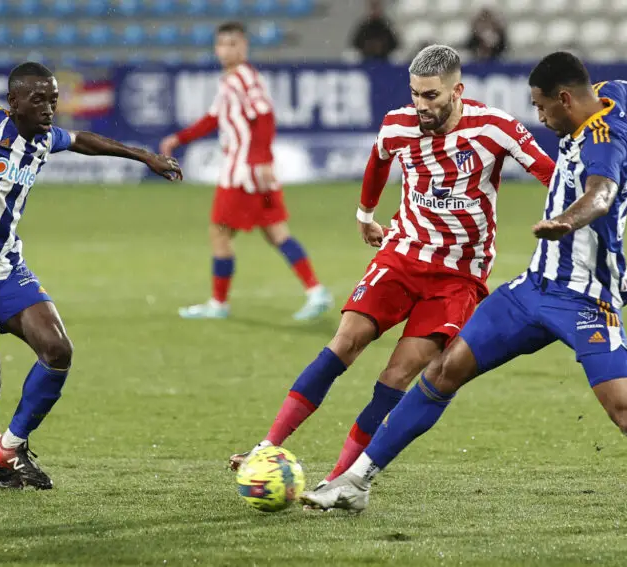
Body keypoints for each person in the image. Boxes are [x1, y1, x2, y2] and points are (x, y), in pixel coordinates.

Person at [301, 52, 627, 530]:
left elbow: (601, 194)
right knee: (442, 370)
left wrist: (567, 219)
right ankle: (356, 481)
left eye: (542, 108)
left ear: (564, 99)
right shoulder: (610, 94)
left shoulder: (603, 143)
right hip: (533, 287)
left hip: (586, 300)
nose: (539, 118)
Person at [228, 45, 555, 494]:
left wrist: (567, 217)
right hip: (401, 255)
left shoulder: (494, 128)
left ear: (457, 91)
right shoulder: (398, 124)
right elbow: (379, 158)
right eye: (415, 94)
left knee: (396, 375)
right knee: (345, 342)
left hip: (458, 276)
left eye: (431, 96)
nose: (421, 105)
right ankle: (267, 447)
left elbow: (550, 172)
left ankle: (338, 480)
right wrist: (365, 214)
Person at [0, 62, 182, 489]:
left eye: (53, 100)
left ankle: (12, 445)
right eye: (38, 99)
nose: (48, 108)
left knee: (58, 349)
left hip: (5, 266)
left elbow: (82, 140)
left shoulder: (43, 139)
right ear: (14, 101)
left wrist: (143, 156)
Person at [160, 22, 331, 321]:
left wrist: (261, 159)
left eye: (232, 44)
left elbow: (265, 116)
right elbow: (213, 118)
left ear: (244, 47)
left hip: (242, 173)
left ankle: (218, 303)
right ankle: (316, 291)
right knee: (276, 233)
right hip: (253, 172)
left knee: (219, 233)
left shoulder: (243, 78)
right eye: (221, 44)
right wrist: (179, 139)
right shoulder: (231, 80)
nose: (226, 50)